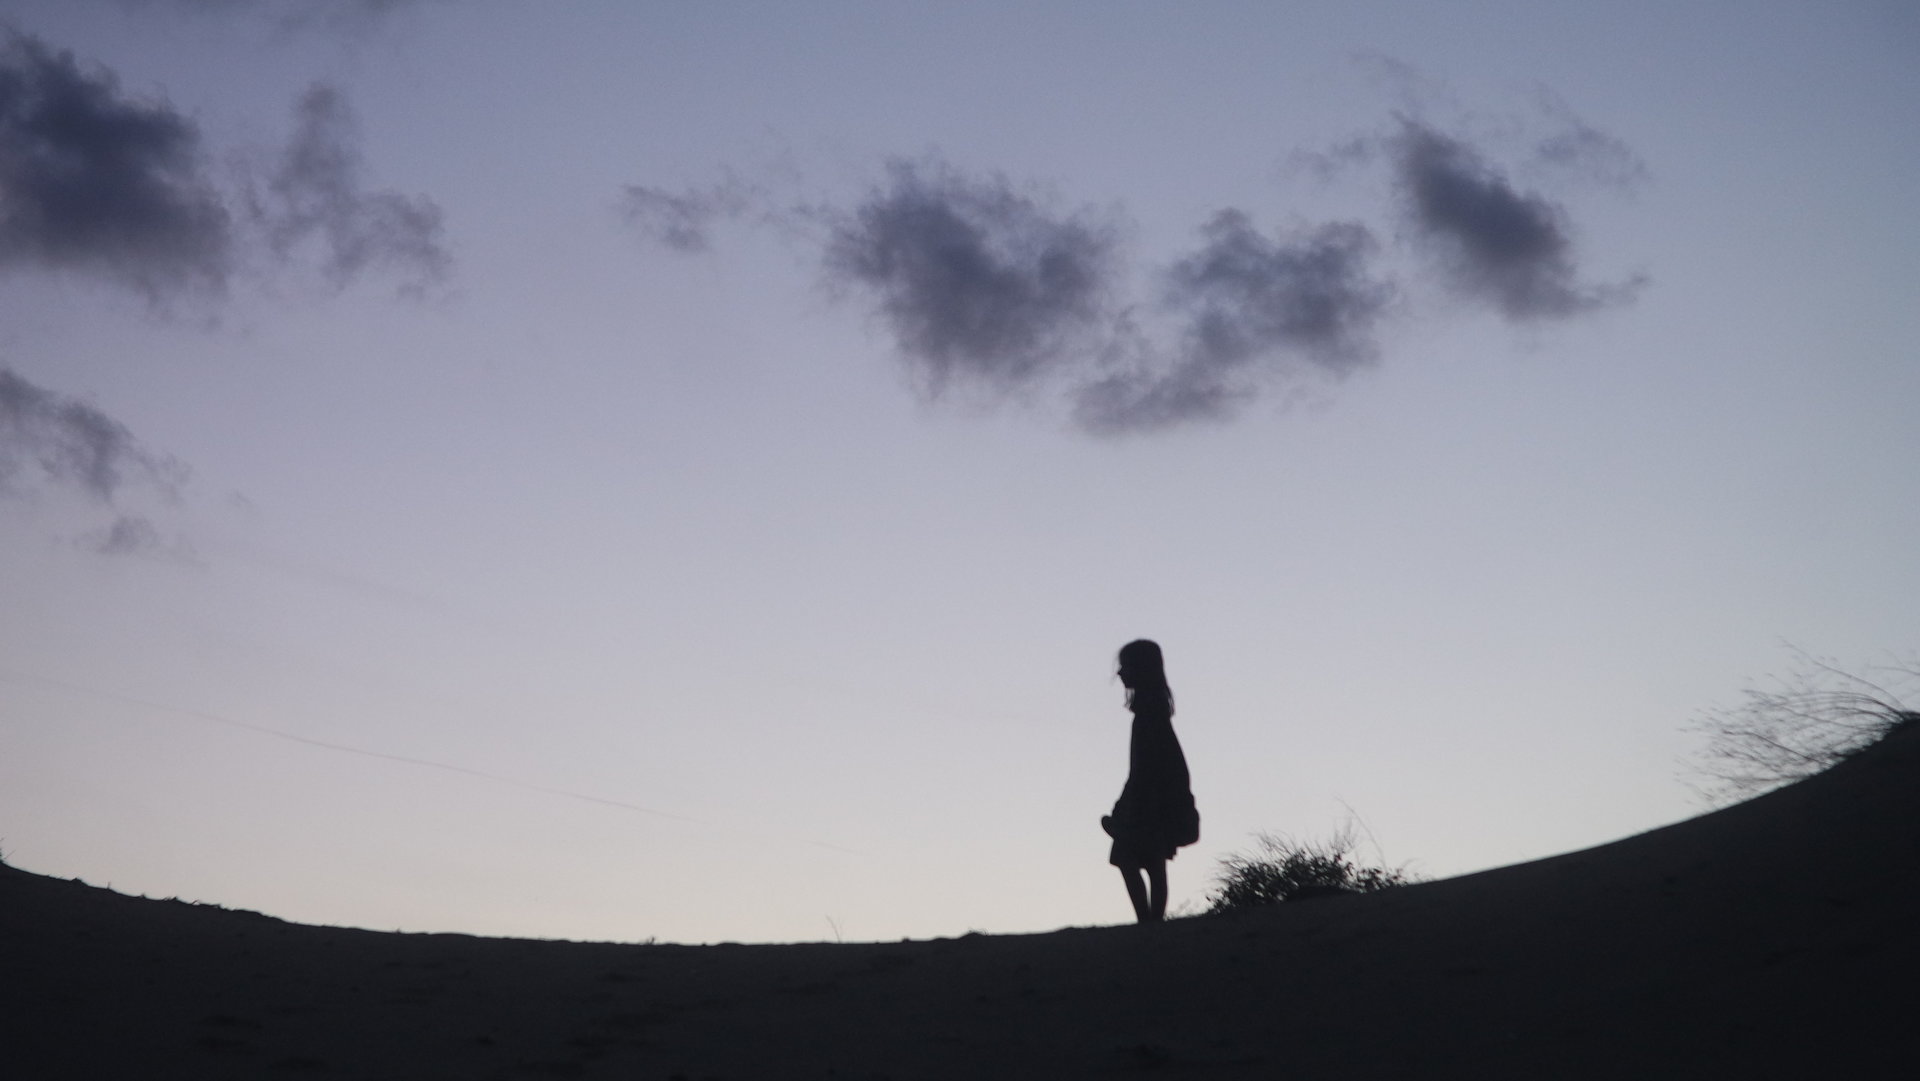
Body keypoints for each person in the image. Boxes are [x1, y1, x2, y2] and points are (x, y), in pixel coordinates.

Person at [1101, 639, 1199, 923]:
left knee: (1133, 855)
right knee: (1148, 857)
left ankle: (1149, 921)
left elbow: (1146, 763)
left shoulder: (1149, 713)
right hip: (1155, 792)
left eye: (1126, 666)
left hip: (1151, 794)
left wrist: (1133, 799)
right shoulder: (1152, 710)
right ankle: (1151, 920)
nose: (1120, 673)